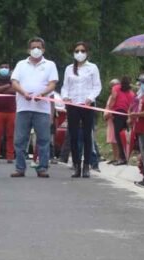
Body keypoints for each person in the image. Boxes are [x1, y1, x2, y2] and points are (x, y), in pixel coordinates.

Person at [10, 37, 59, 178]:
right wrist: (23, 92)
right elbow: (14, 82)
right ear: (28, 50)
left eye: (39, 47)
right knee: (20, 140)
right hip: (23, 108)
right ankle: (20, 168)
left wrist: (42, 94)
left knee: (43, 140)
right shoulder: (21, 64)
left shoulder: (50, 65)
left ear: (43, 49)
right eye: (33, 47)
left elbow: (52, 84)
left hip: (42, 109)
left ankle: (42, 168)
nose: (36, 50)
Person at [61, 41, 101, 178]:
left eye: (82, 51)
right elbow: (65, 87)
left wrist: (90, 98)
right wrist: (65, 97)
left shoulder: (92, 68)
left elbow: (97, 86)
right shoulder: (69, 69)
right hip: (73, 105)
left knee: (87, 136)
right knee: (73, 135)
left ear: (87, 53)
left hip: (87, 105)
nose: (80, 53)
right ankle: (76, 165)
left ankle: (87, 165)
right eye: (77, 51)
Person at [105, 76, 135, 165]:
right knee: (125, 137)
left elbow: (113, 98)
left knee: (118, 137)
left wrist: (110, 109)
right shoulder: (131, 93)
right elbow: (131, 106)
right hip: (126, 114)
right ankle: (125, 157)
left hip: (117, 113)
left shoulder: (116, 88)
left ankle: (121, 158)